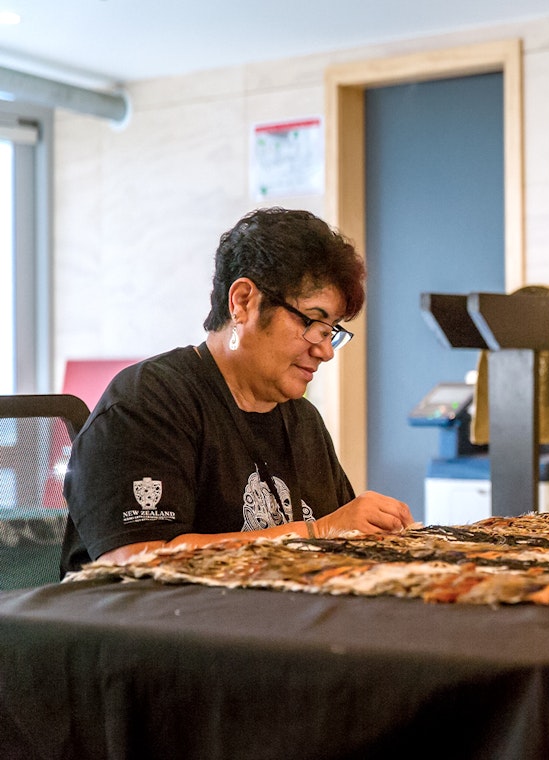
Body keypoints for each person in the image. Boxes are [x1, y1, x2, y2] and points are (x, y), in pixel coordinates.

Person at [60, 208, 414, 573]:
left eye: (331, 332)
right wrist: (318, 532)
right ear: (243, 301)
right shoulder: (149, 401)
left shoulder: (303, 421)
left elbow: (340, 546)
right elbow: (136, 560)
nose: (324, 350)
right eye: (312, 322)